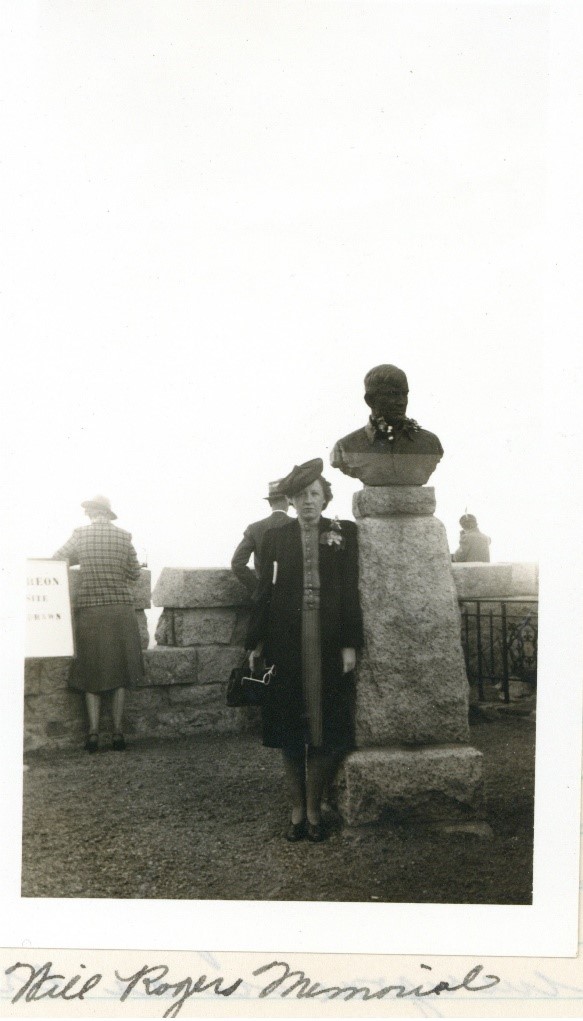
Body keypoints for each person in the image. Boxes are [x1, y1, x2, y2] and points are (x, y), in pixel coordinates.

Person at [246, 458, 363, 843]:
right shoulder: (276, 537)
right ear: (291, 502)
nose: (309, 501)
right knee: (291, 730)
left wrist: (349, 643)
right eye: (301, 496)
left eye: (315, 494)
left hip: (329, 642)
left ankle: (316, 809)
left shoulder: (343, 533)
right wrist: (257, 641)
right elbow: (266, 590)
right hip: (286, 641)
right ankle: (296, 810)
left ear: (326, 499)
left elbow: (350, 591)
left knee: (327, 729)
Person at [52, 494, 144, 752]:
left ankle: (92, 734)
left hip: (90, 610)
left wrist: (84, 560)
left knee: (90, 670)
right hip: (120, 611)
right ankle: (117, 734)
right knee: (120, 672)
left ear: (90, 514)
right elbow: (135, 573)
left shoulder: (80, 535)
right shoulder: (124, 536)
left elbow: (57, 558)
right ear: (108, 513)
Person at [330, 363, 443, 485]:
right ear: (370, 400)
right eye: (393, 394)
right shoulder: (347, 447)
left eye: (404, 394)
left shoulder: (429, 443)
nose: (401, 402)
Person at [230, 479, 290, 596]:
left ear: (270, 503)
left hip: (265, 597)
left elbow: (237, 563)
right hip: (292, 597)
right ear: (288, 500)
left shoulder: (254, 528)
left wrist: (258, 588)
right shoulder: (296, 525)